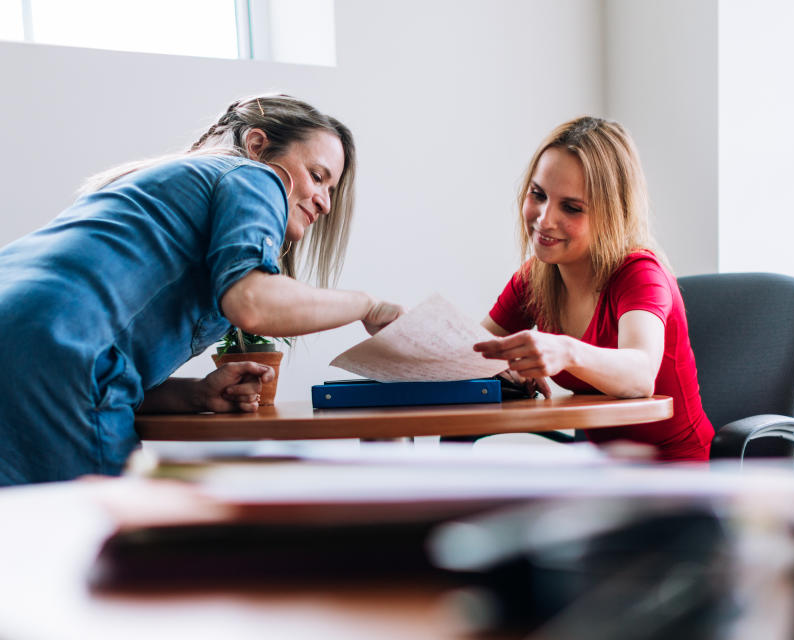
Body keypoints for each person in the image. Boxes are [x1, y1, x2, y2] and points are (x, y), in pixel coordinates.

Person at [0, 94, 402, 485]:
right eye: (317, 176)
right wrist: (368, 305)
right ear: (257, 145)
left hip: (32, 341)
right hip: (58, 354)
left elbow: (98, 363)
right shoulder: (255, 175)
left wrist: (194, 396)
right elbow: (253, 304)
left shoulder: (155, 190)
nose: (325, 203)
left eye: (331, 189)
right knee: (99, 537)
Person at [473, 116, 713, 461]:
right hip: (603, 475)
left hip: (675, 479)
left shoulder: (640, 273)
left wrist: (567, 352)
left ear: (613, 213)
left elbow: (640, 373)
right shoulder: (535, 279)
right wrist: (493, 366)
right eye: (538, 195)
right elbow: (471, 351)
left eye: (570, 207)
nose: (544, 219)